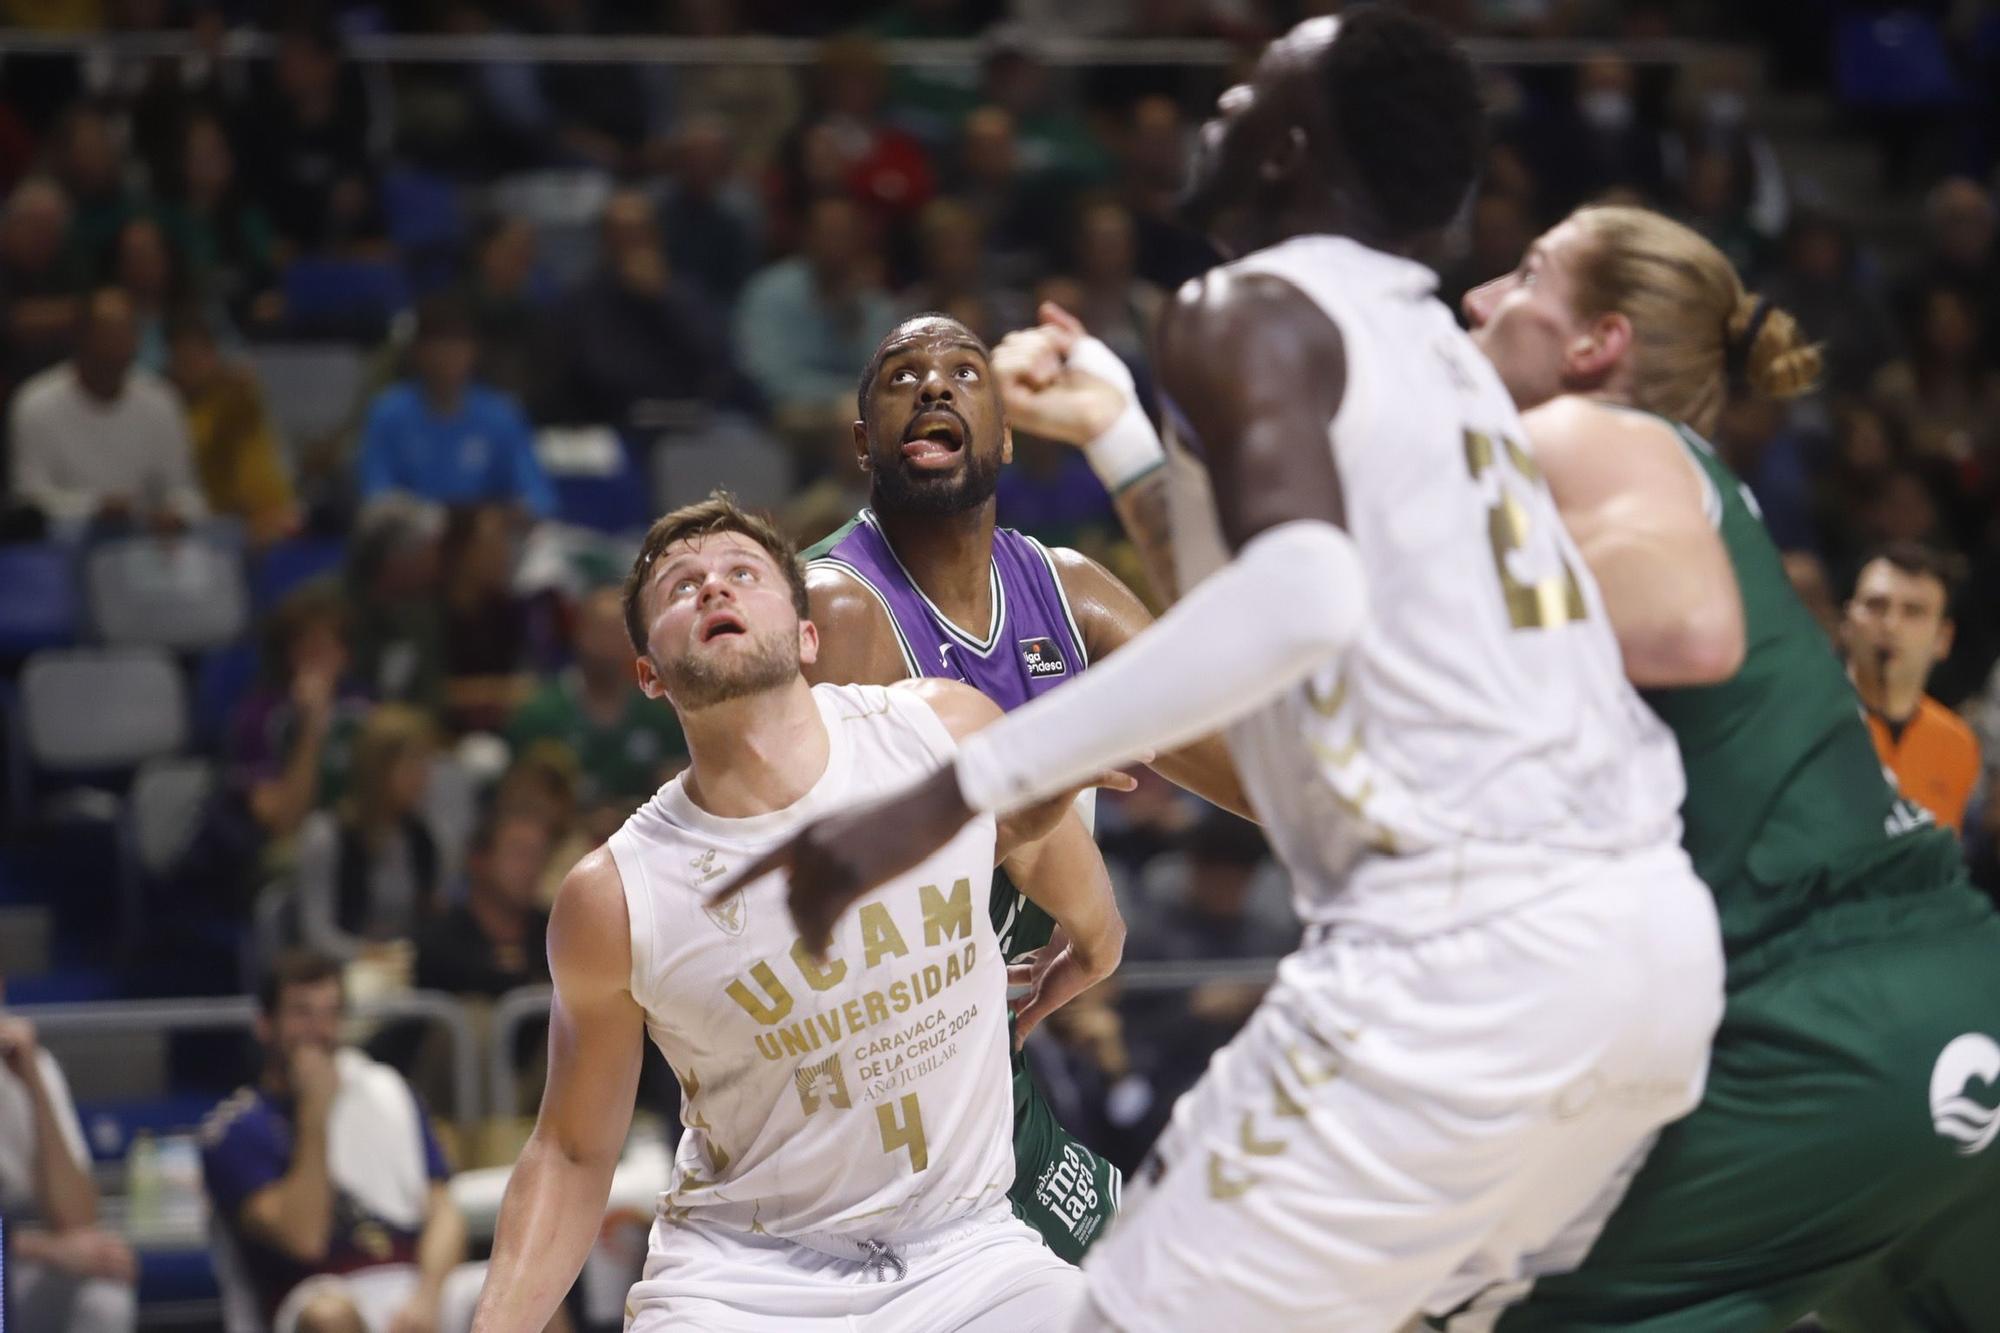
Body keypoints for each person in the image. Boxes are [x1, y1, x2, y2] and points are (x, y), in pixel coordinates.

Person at [730, 13, 1726, 1331]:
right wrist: (1131, 441)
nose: (1216, 106)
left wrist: (955, 788)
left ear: (1293, 150)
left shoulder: (1243, 302)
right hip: (1647, 954)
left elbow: (1292, 601)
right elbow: (1284, 663)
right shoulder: (1433, 355)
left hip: (1463, 954)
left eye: (1251, 92)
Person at [1447, 204, 2000, 1328]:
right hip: (1944, 996)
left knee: (1488, 1307)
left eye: (1523, 274)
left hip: (1824, 1034)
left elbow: (1681, 628)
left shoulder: (1584, 433)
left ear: (1596, 344)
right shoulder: (1652, 479)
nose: (1476, 297)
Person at [470, 495, 1124, 1331]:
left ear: (807, 633)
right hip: (744, 1282)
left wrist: (1097, 946)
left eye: (742, 573)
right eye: (680, 586)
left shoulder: (946, 731)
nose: (713, 590)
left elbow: (1059, 864)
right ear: (649, 673)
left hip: (969, 1254)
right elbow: (570, 1150)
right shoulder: (613, 896)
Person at [803, 310, 1249, 1263]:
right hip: (853, 1091)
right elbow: (806, 892)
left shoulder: (1069, 591)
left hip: (991, 1077)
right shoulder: (835, 609)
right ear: (861, 441)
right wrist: (1054, 847)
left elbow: (1250, 770)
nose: (933, 386)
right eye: (902, 376)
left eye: (966, 372)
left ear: (1005, 434)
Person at [200, 950, 493, 1333]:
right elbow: (304, 1238)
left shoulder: (382, 1093)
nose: (318, 1032)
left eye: (330, 1014)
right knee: (332, 1317)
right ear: (265, 1025)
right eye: (302, 1013)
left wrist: (428, 1296)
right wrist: (315, 1112)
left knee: (528, 1290)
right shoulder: (237, 1128)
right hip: (316, 1291)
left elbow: (444, 1211)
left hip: (414, 1279)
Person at [7, 286, 206, 529]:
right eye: (107, 336)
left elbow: (185, 492)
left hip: (144, 547)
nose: (117, 347)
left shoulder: (161, 400)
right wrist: (95, 507)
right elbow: (29, 499)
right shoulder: (35, 403)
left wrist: (176, 514)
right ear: (80, 337)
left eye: (125, 334)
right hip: (60, 553)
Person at [0, 1005, 138, 1333]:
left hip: (16, 1260)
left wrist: (32, 1082)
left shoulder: (32, 1065)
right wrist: (48, 1250)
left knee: (104, 1295)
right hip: (22, 1251)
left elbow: (78, 1219)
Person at [505, 585, 687, 832]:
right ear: (578, 634)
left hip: (641, 840)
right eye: (600, 631)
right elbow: (521, 804)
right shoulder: (540, 715)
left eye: (617, 633)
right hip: (559, 845)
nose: (608, 645)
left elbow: (676, 803)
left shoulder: (658, 718)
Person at [356, 297, 555, 519]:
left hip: (482, 537)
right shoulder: (388, 412)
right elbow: (376, 493)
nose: (449, 356)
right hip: (412, 539)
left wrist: (511, 514)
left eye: (458, 344)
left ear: (474, 351)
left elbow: (538, 495)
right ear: (418, 352)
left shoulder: (501, 414)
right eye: (439, 345)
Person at [1845, 543, 1981, 833]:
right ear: (1847, 621)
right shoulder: (1800, 725)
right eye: (1876, 605)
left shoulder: (1958, 745)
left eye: (1913, 612)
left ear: (1943, 638)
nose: (1891, 625)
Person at [292, 704, 441, 963]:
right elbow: (316, 934)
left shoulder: (422, 838)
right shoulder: (326, 836)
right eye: (411, 765)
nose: (422, 777)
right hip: (344, 976)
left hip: (407, 972)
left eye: (424, 763)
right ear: (377, 770)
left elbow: (430, 923)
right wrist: (373, 956)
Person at [167, 309, 301, 547]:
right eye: (184, 360)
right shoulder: (174, 413)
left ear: (213, 356)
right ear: (172, 364)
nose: (192, 367)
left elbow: (246, 390)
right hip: (225, 526)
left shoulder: (235, 393)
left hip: (275, 510)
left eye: (199, 357)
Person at [415, 807, 553, 1000]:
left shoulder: (556, 937)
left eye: (538, 856)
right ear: (479, 860)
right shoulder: (441, 944)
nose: (531, 868)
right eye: (518, 853)